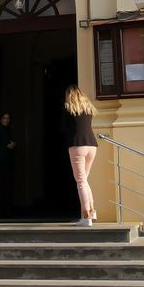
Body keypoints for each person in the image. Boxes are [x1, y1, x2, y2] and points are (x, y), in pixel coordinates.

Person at [61, 85, 98, 226]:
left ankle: (86, 216)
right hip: (92, 145)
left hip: (77, 145)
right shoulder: (88, 109)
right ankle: (92, 212)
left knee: (81, 182)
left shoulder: (69, 108)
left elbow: (63, 127)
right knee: (85, 180)